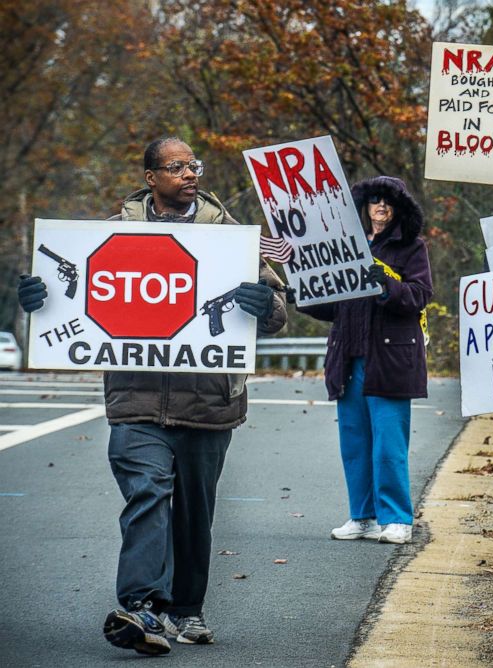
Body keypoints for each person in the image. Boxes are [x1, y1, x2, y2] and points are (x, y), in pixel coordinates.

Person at [17, 136, 287, 655]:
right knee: (147, 494)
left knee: (193, 514)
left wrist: (263, 303)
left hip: (209, 400)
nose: (190, 173)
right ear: (151, 178)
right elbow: (69, 302)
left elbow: (276, 312)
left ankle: (186, 610)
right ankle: (141, 606)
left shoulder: (231, 237)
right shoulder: (108, 235)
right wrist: (40, 298)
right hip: (135, 400)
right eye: (177, 166)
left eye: (194, 166)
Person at [299, 176, 432, 547]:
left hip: (390, 358)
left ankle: (397, 518)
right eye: (374, 201)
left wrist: (388, 285)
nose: (380, 208)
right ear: (364, 206)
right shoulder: (345, 246)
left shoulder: (411, 246)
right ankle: (363, 516)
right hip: (349, 358)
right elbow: (331, 304)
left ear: (399, 208)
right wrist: (302, 288)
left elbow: (420, 295)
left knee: (389, 443)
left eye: (388, 202)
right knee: (354, 442)